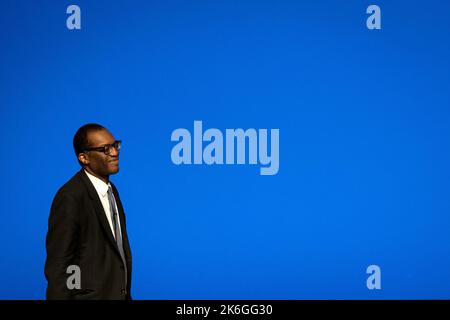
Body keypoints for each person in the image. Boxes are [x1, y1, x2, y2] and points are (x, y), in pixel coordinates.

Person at [45, 123, 132, 300]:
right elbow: (61, 266)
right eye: (105, 149)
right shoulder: (70, 197)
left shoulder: (112, 190)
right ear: (84, 158)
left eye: (115, 146)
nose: (115, 153)